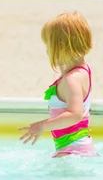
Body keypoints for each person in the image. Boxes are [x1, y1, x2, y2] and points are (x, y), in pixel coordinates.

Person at [18, 11, 98, 158]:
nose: (47, 50)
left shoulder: (71, 79)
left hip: (72, 152)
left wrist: (42, 125)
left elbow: (75, 115)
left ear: (60, 46)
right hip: (80, 149)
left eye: (48, 44)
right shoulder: (82, 71)